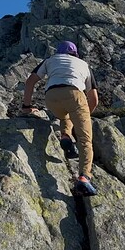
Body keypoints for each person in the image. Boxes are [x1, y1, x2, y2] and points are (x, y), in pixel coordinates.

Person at [21, 40, 99, 196]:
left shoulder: (50, 60)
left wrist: (26, 106)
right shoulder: (84, 64)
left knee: (65, 115)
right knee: (85, 140)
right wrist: (83, 118)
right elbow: (94, 99)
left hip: (51, 97)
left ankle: (65, 135)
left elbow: (30, 82)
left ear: (59, 52)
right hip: (75, 94)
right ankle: (84, 177)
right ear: (75, 54)